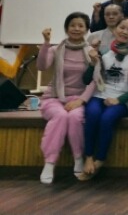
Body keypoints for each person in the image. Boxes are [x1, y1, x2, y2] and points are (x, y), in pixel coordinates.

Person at [79, 17, 128, 181]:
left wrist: (120, 100)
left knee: (106, 119)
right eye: (122, 28)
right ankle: (88, 157)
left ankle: (99, 160)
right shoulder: (104, 52)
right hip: (99, 95)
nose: (125, 32)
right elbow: (86, 80)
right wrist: (92, 63)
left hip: (121, 99)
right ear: (115, 29)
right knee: (92, 114)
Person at [37, 13, 95, 184]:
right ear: (66, 28)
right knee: (61, 116)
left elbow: (95, 80)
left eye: (81, 26)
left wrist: (81, 100)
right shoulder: (56, 49)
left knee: (75, 117)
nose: (76, 29)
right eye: (72, 25)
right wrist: (46, 43)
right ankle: (49, 163)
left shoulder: (91, 52)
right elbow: (41, 66)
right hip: (54, 97)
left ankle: (78, 158)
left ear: (86, 29)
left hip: (78, 98)